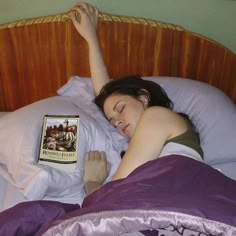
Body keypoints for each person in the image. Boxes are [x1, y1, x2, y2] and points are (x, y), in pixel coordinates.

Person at [70, 3, 203, 195]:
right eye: (112, 122)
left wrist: (92, 182)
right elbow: (106, 96)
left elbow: (112, 200)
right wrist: (91, 39)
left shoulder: (158, 116)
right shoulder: (147, 140)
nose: (118, 122)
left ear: (143, 98)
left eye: (121, 109)